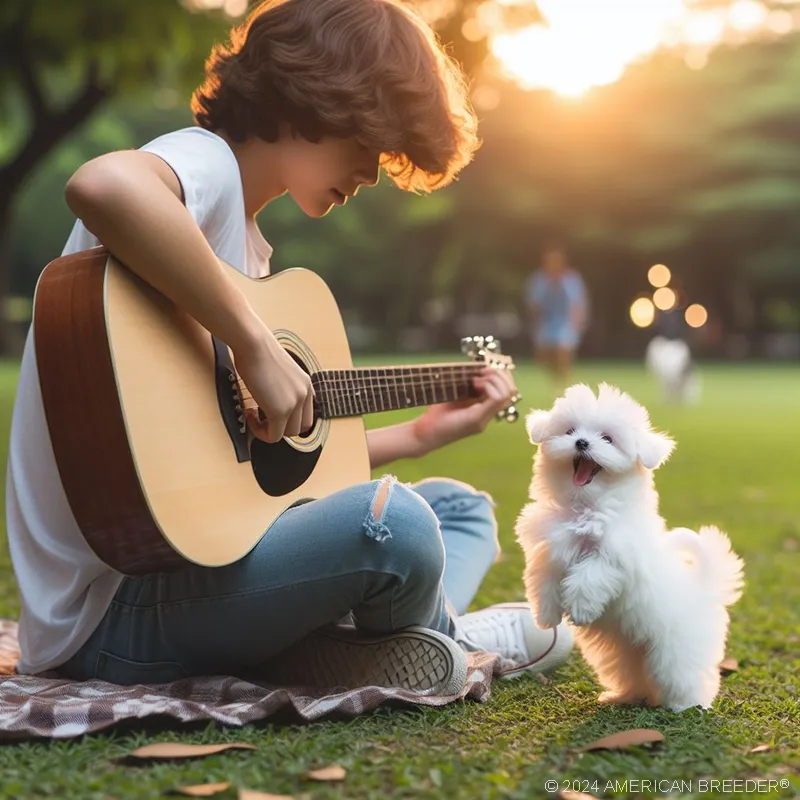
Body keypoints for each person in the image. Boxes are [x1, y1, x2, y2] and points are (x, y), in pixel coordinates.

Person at [5, 0, 573, 694]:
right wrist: (252, 344)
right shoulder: (204, 166)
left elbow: (241, 485)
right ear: (323, 95)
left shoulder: (248, 250)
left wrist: (418, 436)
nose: (372, 171)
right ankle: (455, 640)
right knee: (398, 522)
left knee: (459, 508)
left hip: (199, 568)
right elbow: (102, 183)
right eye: (372, 141)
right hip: (119, 613)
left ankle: (350, 646)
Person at [525, 243, 589, 389]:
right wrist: (535, 324)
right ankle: (555, 377)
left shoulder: (571, 279)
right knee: (543, 357)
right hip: (546, 322)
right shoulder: (539, 280)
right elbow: (534, 304)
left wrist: (576, 325)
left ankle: (563, 382)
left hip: (566, 322)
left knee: (563, 351)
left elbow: (577, 304)